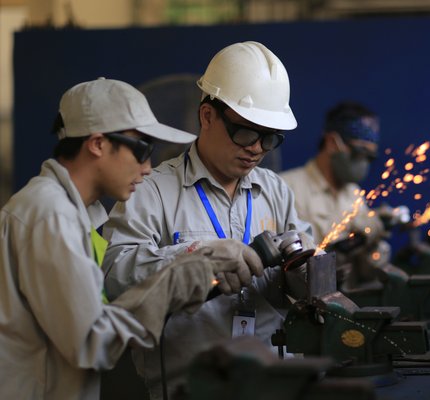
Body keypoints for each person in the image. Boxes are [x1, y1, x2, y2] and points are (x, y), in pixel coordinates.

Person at [0, 78, 245, 400]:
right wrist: (172, 282)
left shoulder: (67, 213)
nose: (147, 168)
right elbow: (91, 343)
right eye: (141, 149)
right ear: (98, 143)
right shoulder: (51, 214)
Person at [102, 41, 313, 399]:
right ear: (207, 116)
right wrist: (198, 254)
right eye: (246, 132)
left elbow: (306, 280)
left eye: (270, 138)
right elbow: (116, 277)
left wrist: (309, 270)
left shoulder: (276, 191)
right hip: (193, 387)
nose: (257, 148)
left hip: (274, 384)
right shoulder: (151, 191)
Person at [279, 101, 389, 285]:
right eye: (359, 153)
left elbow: (366, 273)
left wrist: (373, 243)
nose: (363, 164)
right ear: (332, 142)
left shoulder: (353, 194)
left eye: (369, 158)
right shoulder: (286, 188)